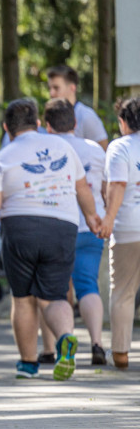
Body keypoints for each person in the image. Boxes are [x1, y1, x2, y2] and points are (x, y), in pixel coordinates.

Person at [0, 98, 103, 380]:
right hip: (63, 226)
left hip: (20, 226)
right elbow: (82, 187)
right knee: (55, 294)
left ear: (8, 128)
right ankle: (65, 337)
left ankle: (28, 363)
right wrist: (92, 216)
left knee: (22, 299)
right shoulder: (64, 148)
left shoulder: (3, 156)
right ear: (37, 124)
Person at [43, 98, 109, 366]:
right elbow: (105, 188)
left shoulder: (46, 149)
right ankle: (97, 344)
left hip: (56, 226)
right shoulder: (95, 150)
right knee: (88, 285)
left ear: (47, 126)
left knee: (55, 291)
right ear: (76, 123)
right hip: (90, 225)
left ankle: (57, 345)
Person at [99, 96, 140, 369]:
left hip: (129, 228)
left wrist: (108, 220)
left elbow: (116, 185)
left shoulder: (120, 147)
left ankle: (121, 354)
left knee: (123, 292)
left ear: (123, 122)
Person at [47, 65, 109, 150]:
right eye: (50, 88)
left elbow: (103, 152)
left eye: (56, 88)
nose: (51, 93)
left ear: (72, 88)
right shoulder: (50, 116)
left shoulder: (87, 116)